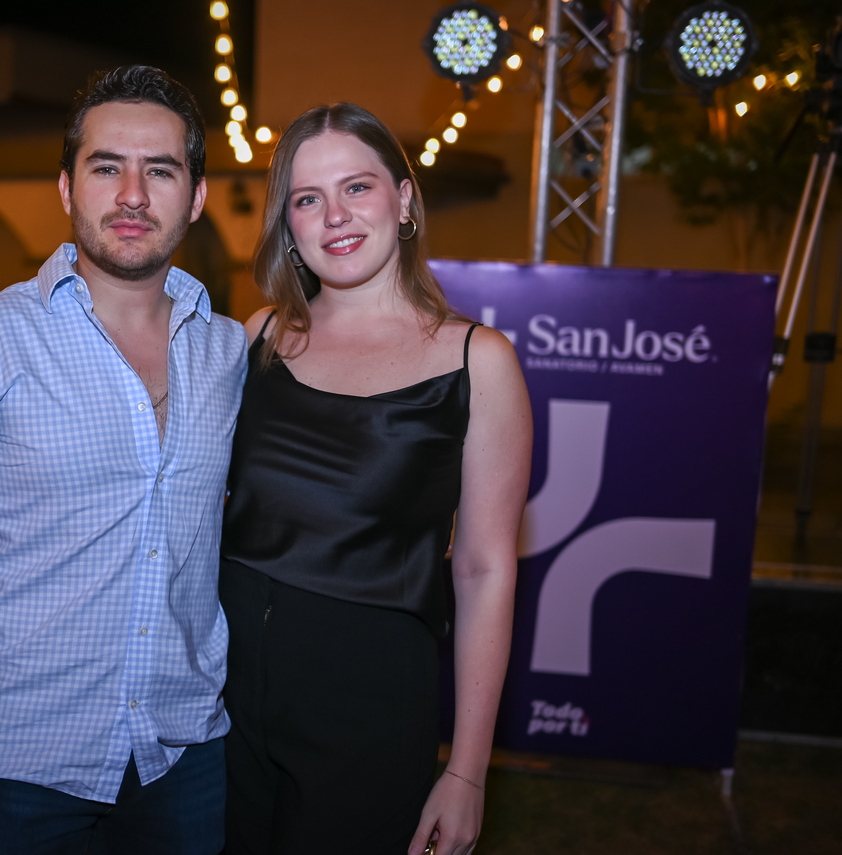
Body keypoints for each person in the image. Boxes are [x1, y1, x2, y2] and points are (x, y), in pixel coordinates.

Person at [0, 65, 246, 855]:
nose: (133, 195)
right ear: (69, 188)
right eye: (107, 167)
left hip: (184, 754)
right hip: (21, 761)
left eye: (161, 171)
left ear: (197, 196)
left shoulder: (227, 351)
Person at [218, 103, 532, 855]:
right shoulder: (258, 337)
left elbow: (485, 569)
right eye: (307, 198)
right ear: (287, 223)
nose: (335, 215)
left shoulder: (478, 361)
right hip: (221, 694)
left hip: (369, 702)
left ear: (404, 198)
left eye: (356, 187)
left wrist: (468, 770)